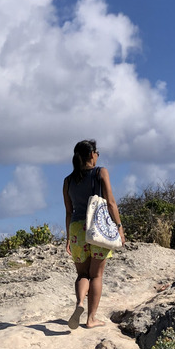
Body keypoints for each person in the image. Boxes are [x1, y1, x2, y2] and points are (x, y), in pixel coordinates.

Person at [61, 139, 118, 327]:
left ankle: (79, 304)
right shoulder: (101, 172)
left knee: (82, 274)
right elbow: (110, 203)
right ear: (92, 154)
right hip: (97, 227)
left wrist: (69, 238)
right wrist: (119, 226)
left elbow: (69, 211)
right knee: (97, 275)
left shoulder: (68, 181)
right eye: (97, 152)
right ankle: (91, 319)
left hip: (77, 228)